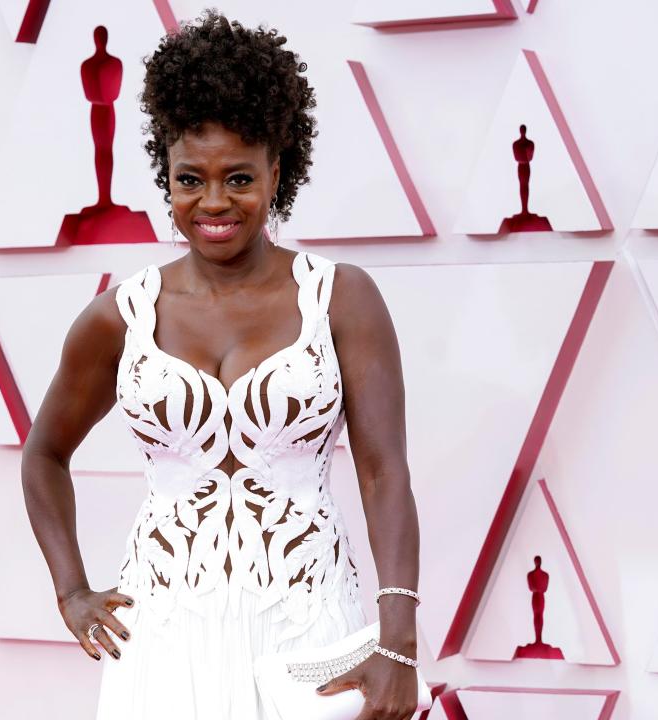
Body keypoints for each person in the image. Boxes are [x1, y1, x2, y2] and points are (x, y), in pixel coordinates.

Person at [21, 10, 420, 719]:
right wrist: (72, 592)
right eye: (188, 179)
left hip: (308, 626)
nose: (212, 203)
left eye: (238, 177)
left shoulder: (342, 298)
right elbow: (44, 453)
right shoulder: (121, 315)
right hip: (162, 639)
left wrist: (398, 644)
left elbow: (384, 473)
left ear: (278, 167)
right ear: (164, 177)